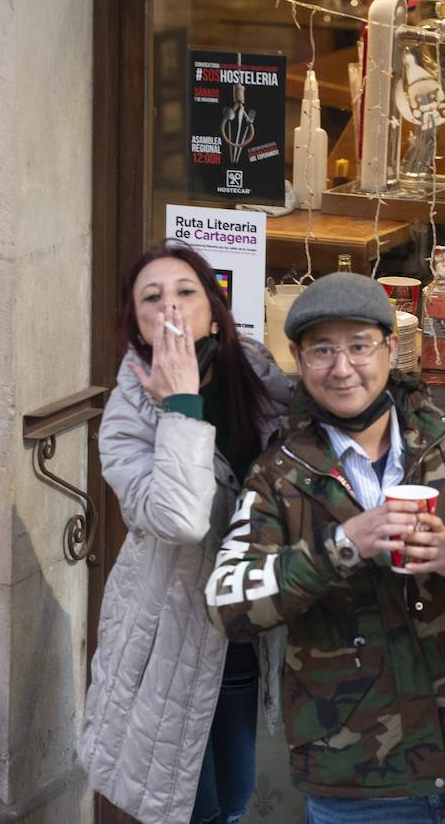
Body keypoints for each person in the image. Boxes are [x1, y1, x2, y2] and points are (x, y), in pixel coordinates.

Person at [205, 272, 445, 823]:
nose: (342, 367)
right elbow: (227, 609)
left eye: (359, 346)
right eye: (323, 350)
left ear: (390, 348)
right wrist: (340, 546)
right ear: (299, 360)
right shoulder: (278, 476)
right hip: (354, 780)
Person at [80, 244, 293, 824]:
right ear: (135, 323)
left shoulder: (257, 374)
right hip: (170, 638)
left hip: (242, 631)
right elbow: (180, 519)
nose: (169, 304)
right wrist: (179, 405)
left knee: (235, 800)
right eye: (152, 297)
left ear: (214, 310)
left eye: (185, 291)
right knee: (188, 811)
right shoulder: (129, 416)